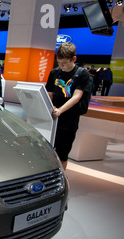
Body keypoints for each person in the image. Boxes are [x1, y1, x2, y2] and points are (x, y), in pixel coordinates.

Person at [45, 42, 90, 170]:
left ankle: (60, 178)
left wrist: (60, 110)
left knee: (62, 154)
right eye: (59, 63)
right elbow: (49, 93)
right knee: (47, 152)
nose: (61, 66)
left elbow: (77, 96)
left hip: (68, 120)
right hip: (53, 119)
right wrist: (49, 106)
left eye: (64, 63)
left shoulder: (82, 74)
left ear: (73, 59)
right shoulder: (54, 73)